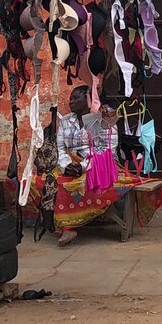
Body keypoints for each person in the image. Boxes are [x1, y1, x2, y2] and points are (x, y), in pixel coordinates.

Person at [55, 84, 119, 245]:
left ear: (88, 99)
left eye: (76, 98)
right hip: (71, 164)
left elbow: (107, 150)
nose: (71, 102)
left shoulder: (102, 119)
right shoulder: (65, 121)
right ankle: (64, 225)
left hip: (98, 166)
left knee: (77, 185)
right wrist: (66, 165)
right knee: (47, 181)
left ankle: (69, 227)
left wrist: (83, 166)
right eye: (70, 98)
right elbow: (60, 147)